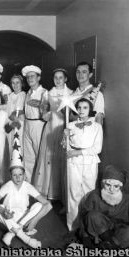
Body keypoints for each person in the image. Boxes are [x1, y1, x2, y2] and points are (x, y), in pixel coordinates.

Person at [0, 131, 52, 248]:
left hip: (23, 218)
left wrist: (34, 221)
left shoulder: (28, 186)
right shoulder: (7, 185)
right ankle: (27, 239)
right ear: (10, 176)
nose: (17, 178)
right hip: (8, 218)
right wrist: (3, 212)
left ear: (24, 175)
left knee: (39, 205)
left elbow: (48, 205)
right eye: (14, 175)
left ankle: (12, 233)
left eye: (20, 174)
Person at [74, 165, 129, 257]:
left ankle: (105, 249)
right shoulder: (94, 195)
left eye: (116, 186)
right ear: (103, 183)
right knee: (92, 216)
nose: (111, 189)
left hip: (119, 235)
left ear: (121, 186)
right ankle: (109, 250)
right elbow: (83, 218)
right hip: (99, 233)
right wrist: (84, 237)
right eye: (108, 185)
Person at [32, 68, 73, 200]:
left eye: (61, 77)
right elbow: (43, 114)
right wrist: (46, 113)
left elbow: (74, 116)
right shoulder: (48, 94)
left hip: (64, 129)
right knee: (50, 159)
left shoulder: (71, 94)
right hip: (51, 129)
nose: (58, 80)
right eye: (55, 77)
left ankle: (63, 194)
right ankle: (51, 192)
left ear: (65, 79)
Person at [64, 98, 103, 231]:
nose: (81, 110)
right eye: (79, 107)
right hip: (73, 163)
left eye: (85, 107)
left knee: (89, 193)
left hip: (90, 162)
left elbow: (97, 149)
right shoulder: (70, 125)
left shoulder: (97, 127)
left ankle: (88, 228)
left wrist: (78, 152)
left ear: (90, 109)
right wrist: (64, 139)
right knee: (74, 193)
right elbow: (65, 147)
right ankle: (73, 227)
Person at [21, 65, 47, 183]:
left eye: (32, 76)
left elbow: (47, 112)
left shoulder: (44, 92)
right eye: (28, 77)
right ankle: (29, 184)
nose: (30, 79)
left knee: (39, 155)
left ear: (38, 78)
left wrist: (40, 104)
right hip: (27, 124)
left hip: (38, 124)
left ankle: (40, 185)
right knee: (28, 156)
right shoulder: (28, 92)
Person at [6, 74, 26, 156]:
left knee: (19, 148)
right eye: (13, 83)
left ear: (21, 84)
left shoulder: (24, 95)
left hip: (20, 126)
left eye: (17, 82)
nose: (15, 85)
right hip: (10, 126)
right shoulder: (9, 96)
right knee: (10, 147)